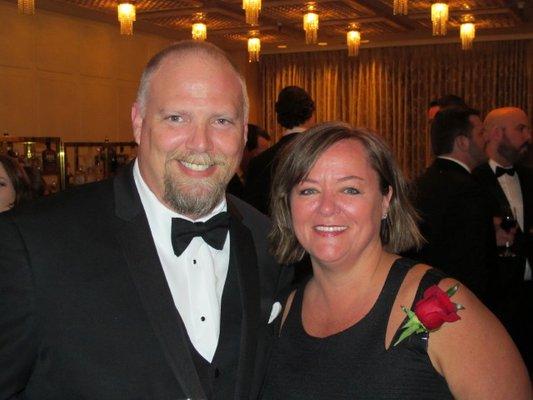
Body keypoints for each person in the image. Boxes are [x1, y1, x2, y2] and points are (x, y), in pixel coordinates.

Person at [0, 41, 291, 399]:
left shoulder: (270, 243)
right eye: (176, 118)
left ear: (243, 134)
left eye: (221, 121)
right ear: (138, 123)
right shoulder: (34, 244)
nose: (200, 143)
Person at [260, 121, 530, 399]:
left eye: (350, 189)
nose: (327, 207)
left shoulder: (443, 307)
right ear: (288, 204)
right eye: (308, 190)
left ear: (386, 200)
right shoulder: (282, 310)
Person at [410, 106, 496, 303]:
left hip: (424, 296)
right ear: (462, 142)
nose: (487, 139)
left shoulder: (420, 183)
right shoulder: (468, 190)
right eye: (481, 133)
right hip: (459, 302)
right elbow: (475, 265)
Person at [473, 106, 532, 374]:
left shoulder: (529, 177)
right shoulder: (473, 181)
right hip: (496, 298)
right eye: (521, 128)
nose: (528, 136)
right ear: (497, 133)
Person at [244, 86, 315, 215]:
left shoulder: (258, 163)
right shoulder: (321, 155)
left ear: (279, 117)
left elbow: (251, 214)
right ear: (311, 115)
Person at [227, 123, 270, 199]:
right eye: (260, 155)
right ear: (244, 149)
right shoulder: (226, 178)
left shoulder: (260, 178)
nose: (263, 160)